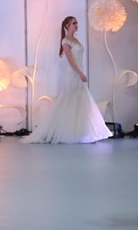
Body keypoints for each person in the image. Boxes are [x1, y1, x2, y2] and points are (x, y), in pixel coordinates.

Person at [23, 16, 111, 144]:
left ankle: (81, 132)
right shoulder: (65, 41)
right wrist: (80, 73)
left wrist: (81, 73)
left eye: (76, 23)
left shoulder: (76, 40)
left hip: (79, 73)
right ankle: (62, 132)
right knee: (70, 100)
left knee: (80, 101)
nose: (76, 25)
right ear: (67, 26)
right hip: (73, 74)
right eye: (74, 23)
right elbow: (70, 60)